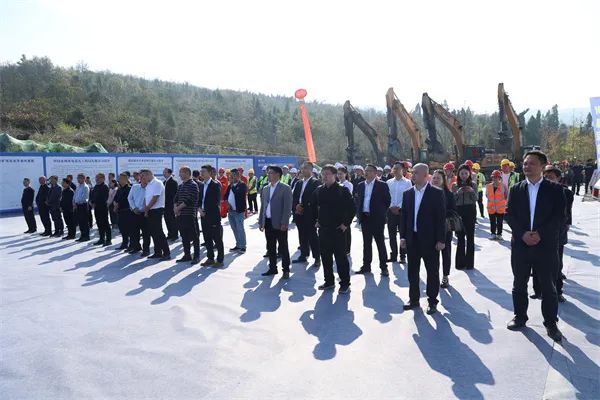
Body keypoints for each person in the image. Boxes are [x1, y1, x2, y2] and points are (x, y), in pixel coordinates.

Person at [506, 150, 566, 342]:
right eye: (525, 163)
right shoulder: (516, 189)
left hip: (545, 246)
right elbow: (509, 215)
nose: (527, 166)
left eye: (532, 163)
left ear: (542, 166)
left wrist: (540, 234)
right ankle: (520, 317)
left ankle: (551, 323)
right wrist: (522, 233)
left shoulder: (555, 190)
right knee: (519, 283)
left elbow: (559, 217)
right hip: (521, 245)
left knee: (548, 286)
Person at [400, 163, 446, 314]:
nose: (413, 175)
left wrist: (441, 240)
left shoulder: (436, 193)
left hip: (430, 240)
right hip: (412, 239)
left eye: (416, 173)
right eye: (412, 172)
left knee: (432, 272)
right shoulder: (407, 194)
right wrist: (403, 236)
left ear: (426, 175)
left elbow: (440, 218)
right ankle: (414, 299)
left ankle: (432, 301)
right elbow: (404, 217)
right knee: (412, 271)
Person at [311, 165, 356, 293]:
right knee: (325, 257)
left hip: (338, 230)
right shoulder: (319, 190)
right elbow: (312, 206)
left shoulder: (342, 190)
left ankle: (345, 283)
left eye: (328, 174)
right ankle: (329, 281)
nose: (325, 176)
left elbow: (352, 208)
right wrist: (316, 221)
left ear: (335, 175)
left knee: (341, 258)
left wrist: (345, 224)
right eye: (323, 174)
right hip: (324, 230)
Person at [541, 165, 573, 304]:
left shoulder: (566, 193)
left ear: (559, 178)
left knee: (557, 262)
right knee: (542, 263)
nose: (548, 179)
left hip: (558, 232)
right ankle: (541, 289)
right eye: (546, 177)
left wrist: (567, 224)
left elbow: (568, 212)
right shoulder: (539, 191)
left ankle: (558, 291)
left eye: (551, 177)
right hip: (542, 233)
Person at [355, 164, 391, 276]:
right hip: (365, 218)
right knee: (366, 243)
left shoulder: (382, 185)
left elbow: (387, 201)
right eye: (366, 170)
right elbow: (358, 200)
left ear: (375, 173)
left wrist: (380, 213)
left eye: (370, 171)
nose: (367, 172)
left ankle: (383, 267)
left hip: (377, 218)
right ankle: (366, 266)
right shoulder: (360, 185)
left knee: (380, 243)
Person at [258, 165, 293, 278]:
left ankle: (286, 269)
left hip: (280, 223)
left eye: (270, 173)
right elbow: (263, 206)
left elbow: (287, 208)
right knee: (270, 246)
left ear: (278, 175)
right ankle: (272, 268)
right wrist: (261, 221)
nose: (268, 175)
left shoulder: (285, 188)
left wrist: (284, 223)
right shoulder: (266, 188)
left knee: (283, 247)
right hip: (268, 222)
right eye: (268, 173)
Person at [292, 161, 321, 268]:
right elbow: (295, 197)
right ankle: (304, 255)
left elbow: (315, 199)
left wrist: (303, 206)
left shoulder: (315, 182)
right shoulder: (299, 183)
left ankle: (317, 257)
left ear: (311, 170)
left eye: (306, 168)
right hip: (299, 213)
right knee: (302, 234)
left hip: (310, 213)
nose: (304, 170)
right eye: (303, 168)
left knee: (312, 236)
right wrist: (296, 206)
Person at [431, 169, 456, 289]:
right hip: (431, 229)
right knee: (432, 254)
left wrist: (441, 213)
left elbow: (453, 211)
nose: (435, 180)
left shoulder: (449, 194)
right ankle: (434, 276)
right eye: (434, 178)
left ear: (443, 180)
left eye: (438, 178)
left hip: (445, 228)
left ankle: (445, 275)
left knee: (446, 252)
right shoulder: (427, 193)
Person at [141, 169, 171, 260]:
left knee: (159, 232)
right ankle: (157, 252)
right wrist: (146, 210)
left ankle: (166, 253)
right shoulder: (149, 184)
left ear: (149, 174)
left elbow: (155, 198)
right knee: (153, 232)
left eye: (143, 176)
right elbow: (146, 198)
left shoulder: (157, 183)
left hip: (157, 210)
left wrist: (147, 208)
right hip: (150, 210)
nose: (142, 178)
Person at [386, 162, 412, 264]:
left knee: (403, 234)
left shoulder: (407, 182)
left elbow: (408, 197)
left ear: (403, 170)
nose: (396, 170)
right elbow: (387, 196)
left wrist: (399, 207)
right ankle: (393, 255)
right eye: (394, 168)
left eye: (398, 168)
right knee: (391, 235)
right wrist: (392, 206)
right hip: (391, 211)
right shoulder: (388, 182)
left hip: (403, 212)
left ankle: (402, 256)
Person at [452, 164, 477, 270]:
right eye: (462, 173)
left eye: (466, 173)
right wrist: (458, 192)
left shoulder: (473, 184)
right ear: (458, 174)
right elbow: (453, 200)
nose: (464, 175)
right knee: (460, 237)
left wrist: (471, 191)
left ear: (469, 174)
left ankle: (470, 263)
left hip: (470, 210)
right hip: (459, 211)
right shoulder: (454, 185)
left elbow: (476, 199)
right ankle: (460, 263)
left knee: (470, 237)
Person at [174, 166, 200, 264]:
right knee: (184, 236)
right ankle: (187, 255)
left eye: (181, 172)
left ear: (187, 173)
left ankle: (196, 256)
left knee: (194, 236)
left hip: (189, 214)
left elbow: (190, 200)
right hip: (180, 215)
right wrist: (175, 208)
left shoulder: (193, 185)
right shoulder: (181, 186)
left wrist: (178, 208)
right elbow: (176, 198)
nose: (179, 174)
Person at [199, 165, 224, 267]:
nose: (201, 173)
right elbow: (199, 200)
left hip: (213, 216)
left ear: (210, 173)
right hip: (203, 215)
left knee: (217, 239)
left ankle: (220, 260)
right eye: (201, 171)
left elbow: (215, 202)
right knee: (207, 238)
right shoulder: (201, 185)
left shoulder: (215, 185)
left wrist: (206, 211)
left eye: (203, 171)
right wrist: (200, 209)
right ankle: (210, 258)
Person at [225, 168, 248, 253]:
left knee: (240, 229)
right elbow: (225, 196)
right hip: (231, 211)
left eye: (233, 175)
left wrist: (232, 185)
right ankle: (238, 245)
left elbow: (238, 193)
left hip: (239, 211)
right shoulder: (230, 185)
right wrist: (226, 202)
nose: (231, 177)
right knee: (234, 229)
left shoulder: (242, 185)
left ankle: (243, 246)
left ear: (238, 175)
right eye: (230, 175)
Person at [127, 174, 150, 255]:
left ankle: (146, 249)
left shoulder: (150, 189)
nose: (144, 179)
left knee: (146, 233)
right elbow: (130, 198)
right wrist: (134, 208)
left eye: (145, 178)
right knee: (134, 231)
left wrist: (144, 210)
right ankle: (136, 247)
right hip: (134, 212)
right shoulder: (135, 187)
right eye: (142, 178)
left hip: (145, 213)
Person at [486, 170, 508, 240]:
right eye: (493, 177)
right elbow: (487, 195)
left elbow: (506, 196)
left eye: (496, 177)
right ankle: (493, 234)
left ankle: (499, 234)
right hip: (491, 208)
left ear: (499, 178)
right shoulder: (488, 186)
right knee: (492, 222)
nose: (495, 179)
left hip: (500, 208)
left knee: (499, 222)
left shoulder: (503, 186)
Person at [91, 173, 111, 246]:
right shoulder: (96, 186)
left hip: (103, 207)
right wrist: (92, 202)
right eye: (96, 178)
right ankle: (101, 239)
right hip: (96, 208)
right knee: (99, 223)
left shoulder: (105, 187)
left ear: (103, 178)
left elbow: (105, 198)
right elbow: (92, 195)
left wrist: (96, 201)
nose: (96, 179)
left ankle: (108, 240)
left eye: (98, 178)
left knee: (105, 223)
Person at [113, 173, 132, 251]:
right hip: (120, 211)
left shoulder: (129, 189)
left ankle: (131, 244)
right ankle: (124, 243)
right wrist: (115, 204)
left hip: (127, 211)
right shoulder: (119, 189)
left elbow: (125, 199)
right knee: (122, 228)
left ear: (125, 179)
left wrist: (117, 204)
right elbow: (115, 198)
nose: (119, 180)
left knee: (128, 229)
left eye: (120, 178)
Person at [337, 166, 353, 254]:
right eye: (338, 174)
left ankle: (347, 249)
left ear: (345, 174)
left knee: (347, 230)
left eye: (341, 174)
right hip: (338, 210)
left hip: (346, 210)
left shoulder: (348, 184)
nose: (339, 176)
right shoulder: (337, 183)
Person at [163, 168, 179, 241]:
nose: (163, 173)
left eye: (165, 172)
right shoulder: (164, 182)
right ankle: (170, 233)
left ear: (169, 173)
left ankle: (174, 235)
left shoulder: (173, 182)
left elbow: (175, 194)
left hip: (171, 204)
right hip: (165, 205)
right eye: (163, 172)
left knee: (172, 220)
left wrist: (175, 204)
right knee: (167, 219)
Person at [73, 173, 90, 242]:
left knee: (84, 221)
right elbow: (75, 195)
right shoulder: (78, 187)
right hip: (78, 206)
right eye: (78, 178)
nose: (78, 179)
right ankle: (82, 235)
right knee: (80, 222)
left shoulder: (85, 187)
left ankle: (86, 236)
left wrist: (77, 202)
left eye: (79, 178)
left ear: (84, 179)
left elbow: (84, 198)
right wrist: (74, 202)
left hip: (83, 205)